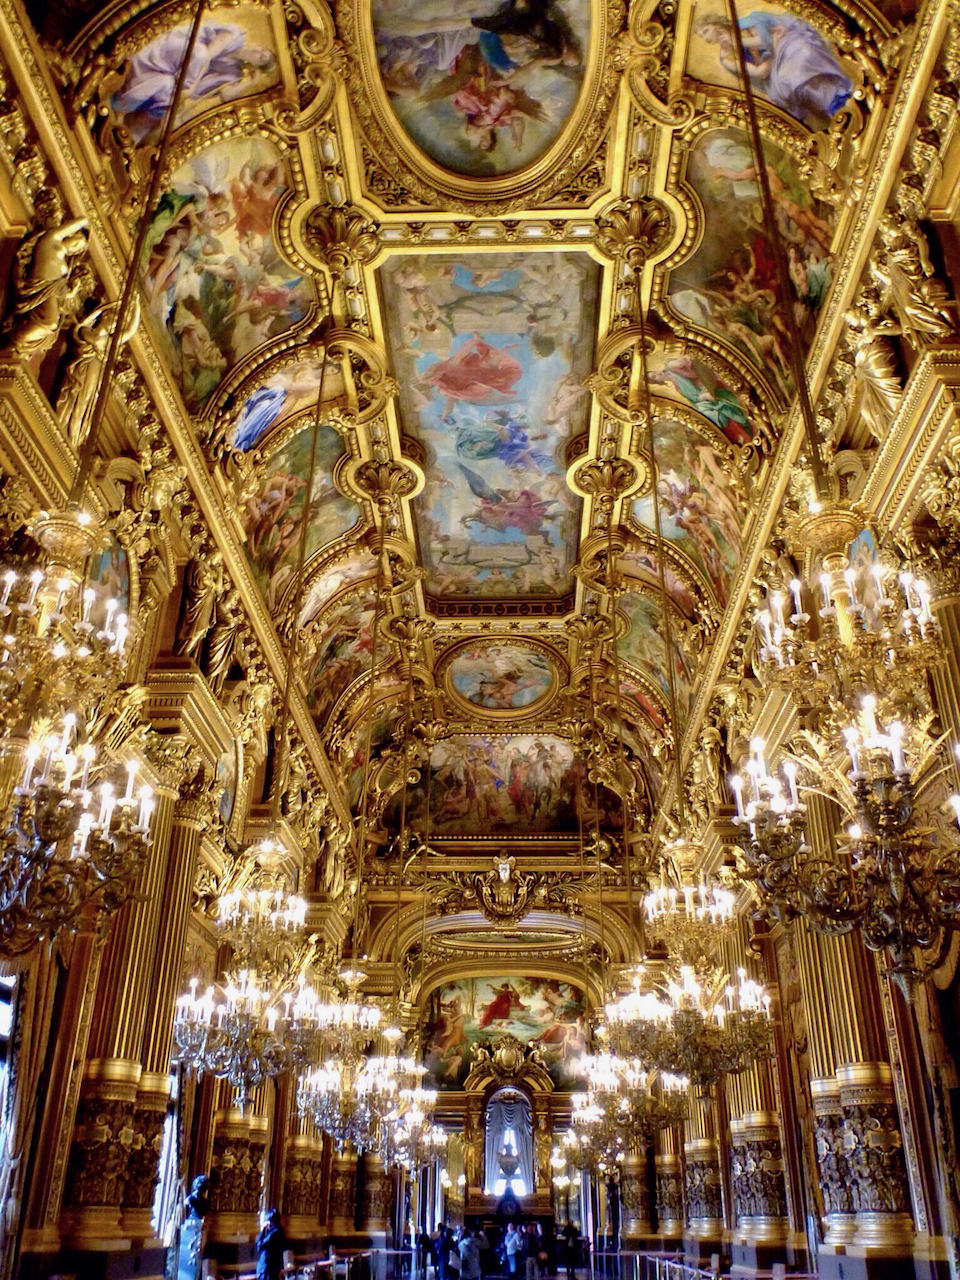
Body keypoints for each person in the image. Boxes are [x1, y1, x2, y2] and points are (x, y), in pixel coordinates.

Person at [255, 1209, 287, 1280]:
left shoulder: (273, 1234)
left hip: (267, 1269)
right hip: (275, 1268)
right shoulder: (281, 1232)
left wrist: (262, 1232)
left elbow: (259, 1247)